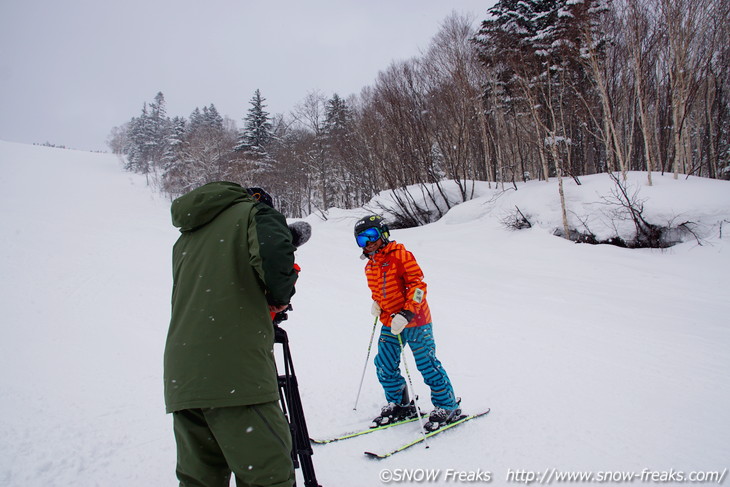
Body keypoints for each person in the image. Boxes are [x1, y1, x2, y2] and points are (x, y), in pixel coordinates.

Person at [164, 181, 297, 487]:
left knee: (200, 479)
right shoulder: (254, 212)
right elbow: (273, 256)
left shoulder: (187, 236)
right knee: (268, 474)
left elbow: (221, 284)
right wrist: (280, 296)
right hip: (234, 374)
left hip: (184, 379)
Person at [354, 214, 461, 431]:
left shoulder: (400, 255)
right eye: (361, 239)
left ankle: (446, 405)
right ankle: (400, 403)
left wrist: (407, 313)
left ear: (383, 234)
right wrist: (377, 303)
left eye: (372, 236)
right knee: (384, 364)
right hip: (389, 323)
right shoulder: (370, 266)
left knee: (427, 365)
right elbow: (382, 290)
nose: (368, 243)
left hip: (416, 322)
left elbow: (419, 287)